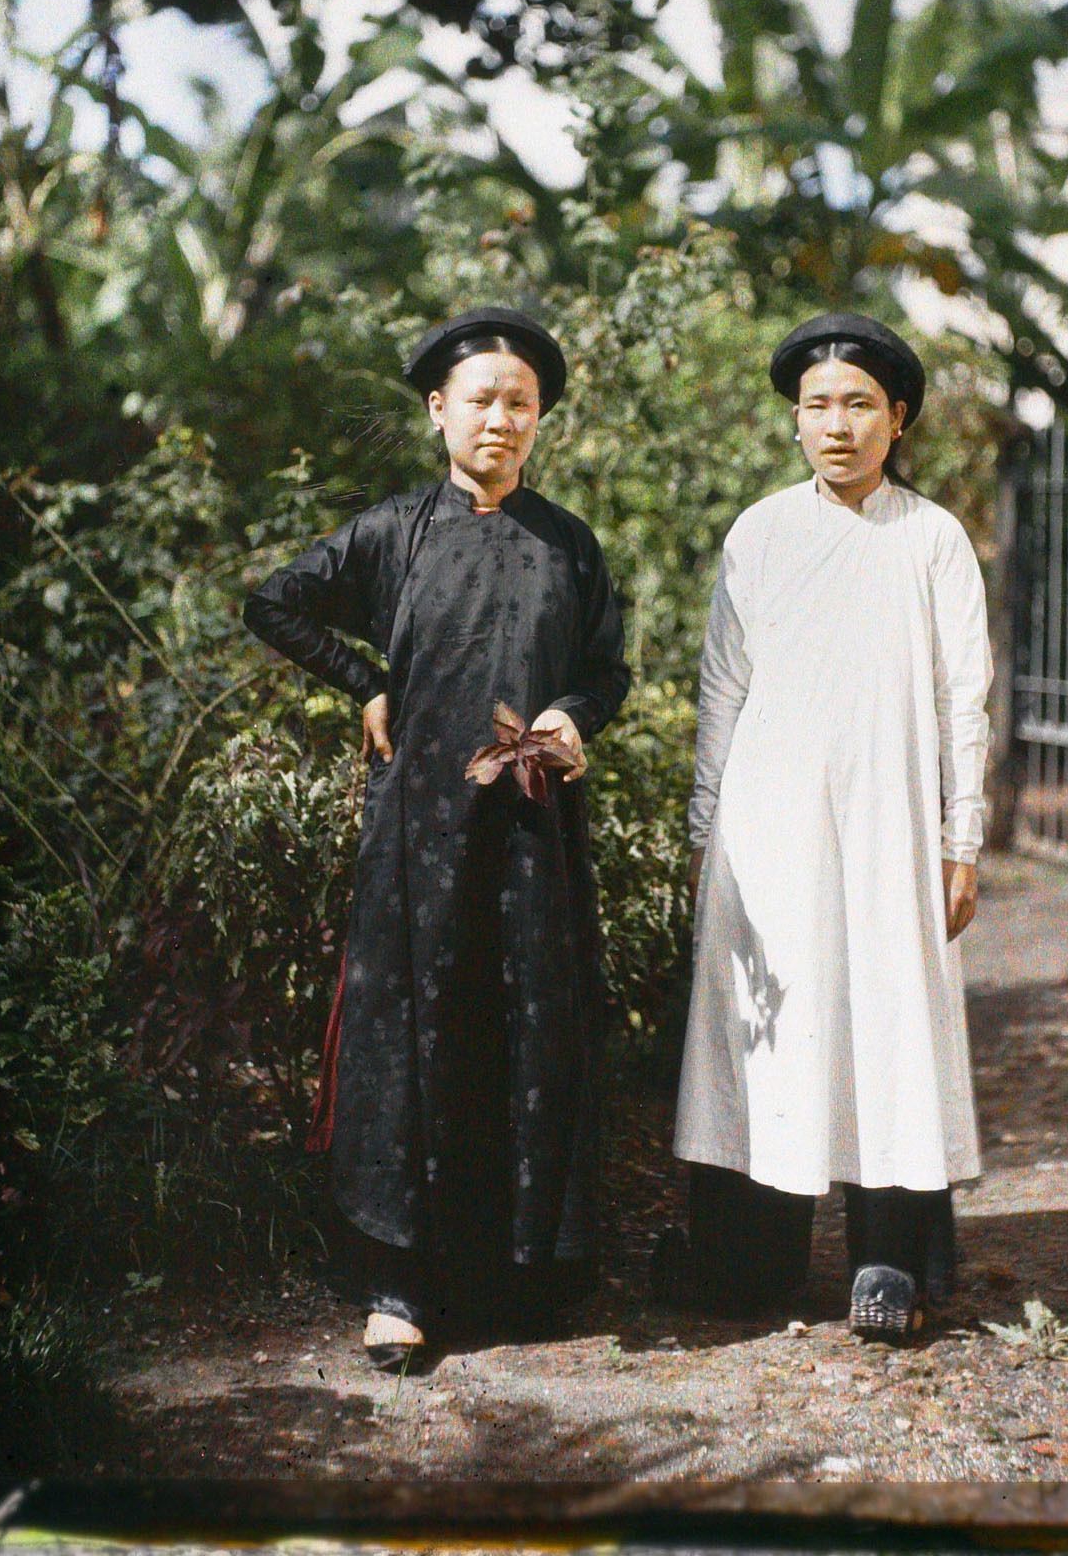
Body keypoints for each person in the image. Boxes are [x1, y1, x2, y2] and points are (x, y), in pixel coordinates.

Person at [243, 307, 630, 1370]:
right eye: (480, 399)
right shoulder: (393, 531)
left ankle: (517, 1274)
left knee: (526, 1026)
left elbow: (607, 668)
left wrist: (572, 719)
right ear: (437, 410)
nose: (500, 419)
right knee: (411, 1033)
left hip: (531, 837)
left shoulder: (568, 542)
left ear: (540, 418)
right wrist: (367, 680)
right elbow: (273, 601)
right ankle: (397, 1285)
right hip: (417, 836)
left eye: (521, 403)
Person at [656, 311, 992, 1340]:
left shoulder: (930, 538)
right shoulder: (759, 531)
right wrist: (707, 828)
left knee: (887, 1025)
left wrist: (960, 836)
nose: (836, 425)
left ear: (897, 417)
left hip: (891, 823)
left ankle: (889, 1258)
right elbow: (723, 687)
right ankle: (746, 1261)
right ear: (794, 420)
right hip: (770, 825)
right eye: (816, 405)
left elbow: (963, 696)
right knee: (770, 1026)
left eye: (858, 404)